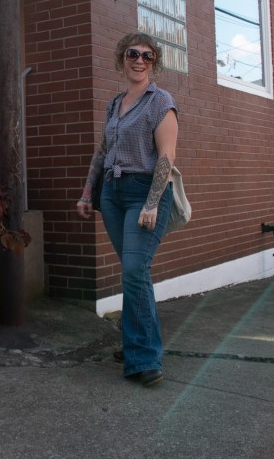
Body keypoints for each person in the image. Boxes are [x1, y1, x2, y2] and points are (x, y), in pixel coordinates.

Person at [76, 32, 178, 387]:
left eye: (147, 56)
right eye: (133, 54)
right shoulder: (114, 104)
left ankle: (145, 359)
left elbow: (166, 156)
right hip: (113, 194)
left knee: (135, 270)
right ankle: (136, 342)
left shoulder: (160, 100)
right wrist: (88, 193)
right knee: (136, 273)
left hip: (144, 193)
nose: (139, 60)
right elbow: (102, 153)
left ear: (155, 63)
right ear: (122, 58)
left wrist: (151, 202)